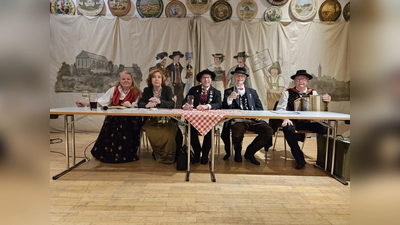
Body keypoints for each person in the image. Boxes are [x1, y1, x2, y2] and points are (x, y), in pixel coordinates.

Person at [75, 71, 142, 163]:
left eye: (128, 79)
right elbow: (101, 102)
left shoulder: (137, 92)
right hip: (114, 117)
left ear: (132, 80)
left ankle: (126, 154)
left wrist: (131, 106)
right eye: (123, 79)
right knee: (111, 122)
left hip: (130, 118)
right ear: (120, 80)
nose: (126, 81)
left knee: (124, 123)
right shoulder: (113, 90)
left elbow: (140, 106)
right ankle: (107, 154)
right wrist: (85, 104)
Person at [276, 69, 332, 169]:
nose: (300, 81)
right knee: (288, 128)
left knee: (327, 129)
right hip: (293, 121)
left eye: (303, 79)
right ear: (294, 82)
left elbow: (319, 108)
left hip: (309, 121)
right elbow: (280, 109)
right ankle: (299, 157)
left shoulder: (313, 92)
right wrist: (285, 118)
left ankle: (323, 159)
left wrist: (326, 101)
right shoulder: (287, 93)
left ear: (307, 81)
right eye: (298, 79)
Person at [221, 67, 273, 165]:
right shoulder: (228, 91)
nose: (240, 77)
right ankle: (237, 151)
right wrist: (229, 100)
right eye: (237, 75)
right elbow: (224, 108)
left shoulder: (252, 92)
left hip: (253, 120)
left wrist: (258, 115)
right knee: (238, 129)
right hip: (237, 121)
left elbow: (259, 107)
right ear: (234, 77)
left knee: (268, 130)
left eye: (242, 76)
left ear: (245, 78)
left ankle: (250, 152)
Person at [138, 68, 183, 164]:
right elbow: (140, 102)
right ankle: (157, 153)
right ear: (150, 80)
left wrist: (159, 102)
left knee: (169, 133)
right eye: (153, 77)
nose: (156, 79)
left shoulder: (167, 89)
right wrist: (146, 105)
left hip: (167, 119)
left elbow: (171, 104)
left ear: (162, 79)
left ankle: (168, 156)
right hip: (151, 120)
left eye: (159, 77)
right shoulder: (147, 90)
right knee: (153, 130)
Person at [182, 69, 222, 164]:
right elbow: (184, 102)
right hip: (194, 119)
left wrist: (207, 106)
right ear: (200, 79)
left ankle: (205, 154)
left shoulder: (216, 92)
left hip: (209, 120)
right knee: (190, 130)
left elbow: (219, 104)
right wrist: (185, 106)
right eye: (204, 78)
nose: (206, 80)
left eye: (208, 78)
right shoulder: (193, 90)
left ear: (211, 79)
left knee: (210, 131)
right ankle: (196, 152)